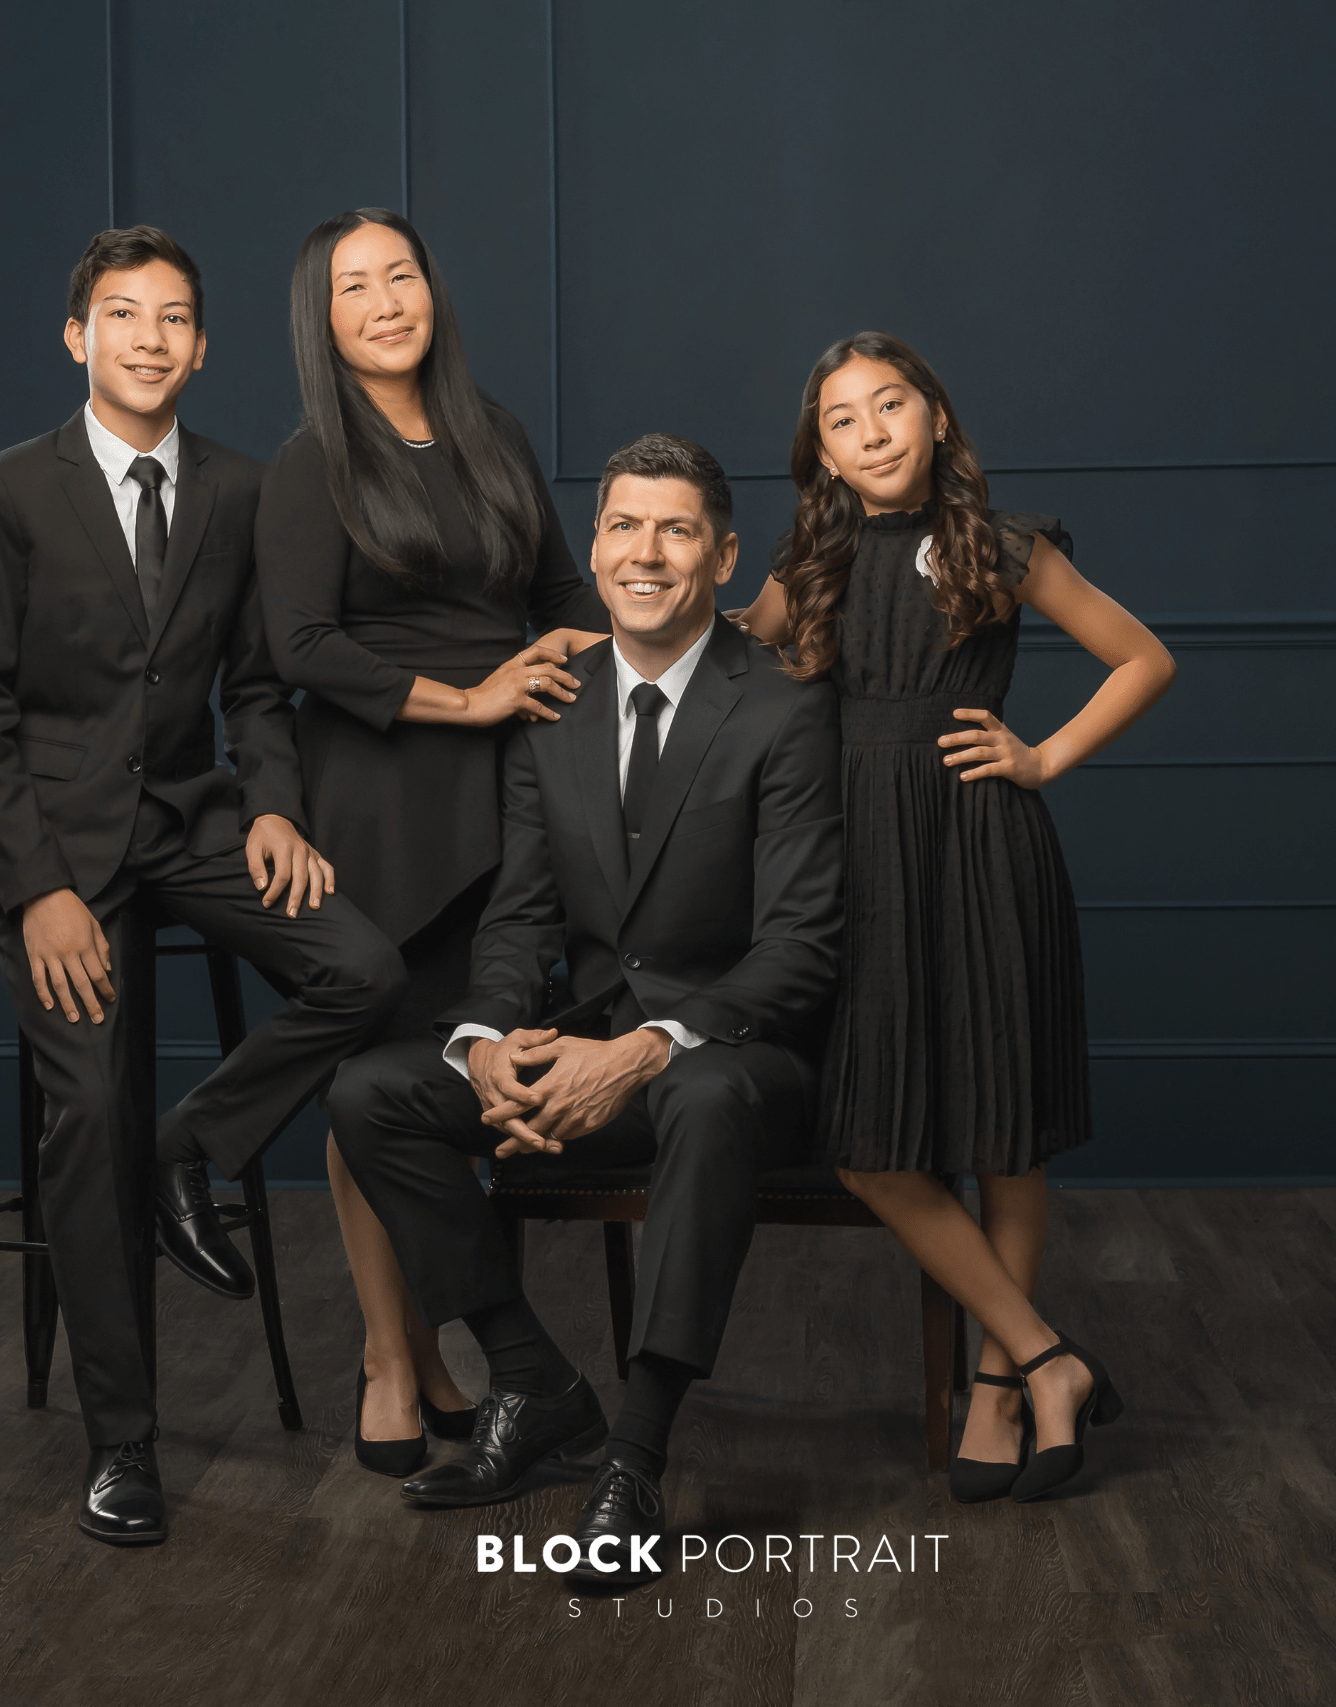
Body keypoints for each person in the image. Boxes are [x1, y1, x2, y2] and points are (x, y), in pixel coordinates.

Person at [0, 226, 408, 1547]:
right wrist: (36, 887)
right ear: (76, 336)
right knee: (88, 1103)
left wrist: (270, 805)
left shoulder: (241, 489)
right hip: (50, 842)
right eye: (121, 314)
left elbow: (259, 686)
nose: (150, 338)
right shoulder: (9, 490)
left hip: (189, 818)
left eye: (175, 319)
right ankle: (123, 1442)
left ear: (203, 347)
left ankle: (187, 1147)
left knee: (363, 967)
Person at [328, 434, 841, 1589]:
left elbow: (801, 949)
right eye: (620, 527)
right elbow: (520, 916)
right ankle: (534, 1382)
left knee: (702, 1094)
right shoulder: (550, 708)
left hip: (740, 1067)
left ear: (720, 556)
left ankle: (636, 1457)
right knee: (372, 1091)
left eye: (672, 530)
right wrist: (490, 1040)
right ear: (596, 547)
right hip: (583, 1056)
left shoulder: (783, 711)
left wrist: (646, 1048)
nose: (642, 553)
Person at [736, 330, 1177, 1502]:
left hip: (980, 848)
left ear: (936, 418)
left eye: (891, 404)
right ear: (820, 453)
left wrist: (1041, 759)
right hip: (857, 859)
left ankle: (995, 1385)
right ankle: (1049, 1358)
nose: (872, 430)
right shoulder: (810, 560)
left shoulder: (999, 547)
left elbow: (1142, 659)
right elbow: (727, 653)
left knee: (1000, 1123)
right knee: (872, 1145)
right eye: (842, 417)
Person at [255, 208, 607, 1477]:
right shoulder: (312, 464)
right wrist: (473, 697)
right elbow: (298, 647)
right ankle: (394, 1355)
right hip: (381, 806)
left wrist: (662, 628)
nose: (385, 300)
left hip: (511, 798)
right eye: (354, 286)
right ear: (324, 318)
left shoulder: (495, 433)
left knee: (463, 1082)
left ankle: (472, 1348)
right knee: (377, 1089)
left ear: (431, 292)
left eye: (400, 274)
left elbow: (565, 597)